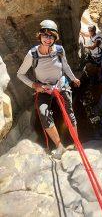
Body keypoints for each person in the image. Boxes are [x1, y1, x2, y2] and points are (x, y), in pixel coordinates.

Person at [17, 19, 80, 159]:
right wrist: (34, 85)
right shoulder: (32, 54)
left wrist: (73, 78)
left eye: (51, 36)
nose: (48, 39)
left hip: (61, 85)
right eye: (45, 35)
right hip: (44, 88)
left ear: (55, 38)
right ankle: (59, 146)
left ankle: (76, 143)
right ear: (39, 36)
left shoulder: (59, 50)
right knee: (43, 113)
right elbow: (20, 74)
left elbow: (65, 66)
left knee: (69, 113)